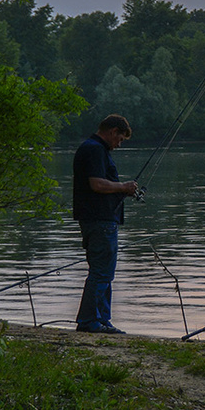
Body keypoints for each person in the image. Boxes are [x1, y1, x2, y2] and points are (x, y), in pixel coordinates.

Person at [73, 114, 139, 333]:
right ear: (112, 132)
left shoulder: (93, 149)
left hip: (98, 219)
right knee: (101, 273)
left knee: (103, 273)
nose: (118, 145)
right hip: (100, 221)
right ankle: (89, 321)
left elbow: (100, 185)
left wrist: (122, 190)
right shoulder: (94, 149)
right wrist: (123, 187)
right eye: (119, 139)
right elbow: (97, 184)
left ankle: (101, 320)